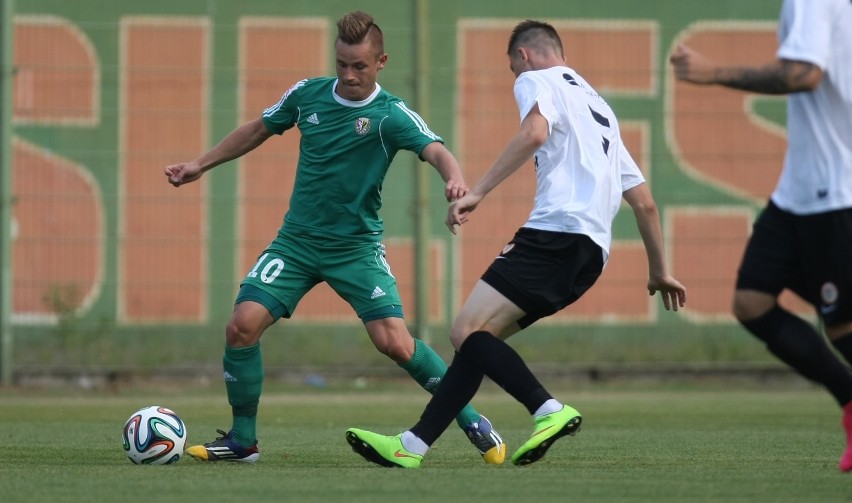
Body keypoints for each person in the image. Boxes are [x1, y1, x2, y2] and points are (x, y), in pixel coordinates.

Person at [164, 11, 505, 464]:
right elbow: (257, 129)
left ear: (380, 61)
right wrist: (199, 165)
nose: (348, 75)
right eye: (342, 64)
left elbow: (436, 149)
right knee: (241, 326)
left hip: (356, 248)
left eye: (359, 66)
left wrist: (456, 182)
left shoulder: (390, 115)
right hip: (297, 243)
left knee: (395, 343)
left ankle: (472, 418)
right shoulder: (308, 95)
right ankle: (243, 441)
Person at [345, 19, 686, 468]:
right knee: (476, 340)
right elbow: (644, 204)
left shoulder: (535, 78)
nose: (516, 79)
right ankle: (413, 445)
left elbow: (535, 133)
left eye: (512, 69)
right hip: (590, 254)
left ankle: (547, 409)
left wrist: (478, 192)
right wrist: (659, 270)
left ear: (523, 56)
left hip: (555, 232)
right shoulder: (598, 107)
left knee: (465, 331)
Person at [669, 0, 852, 473]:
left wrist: (713, 73)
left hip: (834, 190)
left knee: (840, 325)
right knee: (752, 301)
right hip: (799, 190)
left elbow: (803, 74)